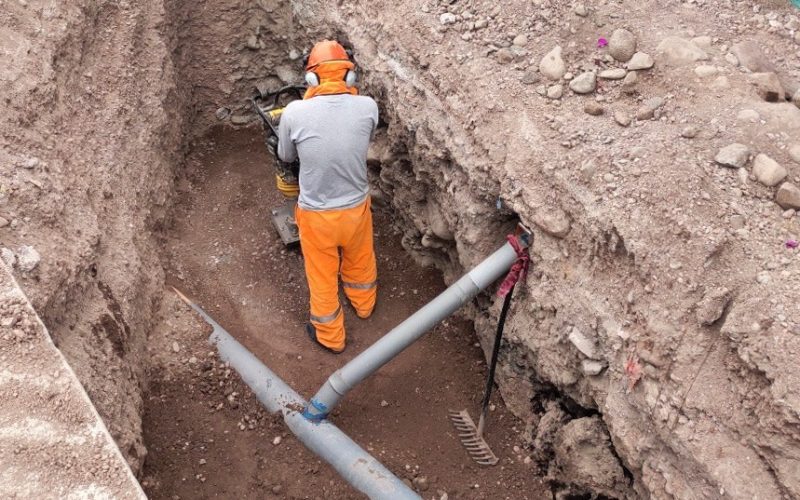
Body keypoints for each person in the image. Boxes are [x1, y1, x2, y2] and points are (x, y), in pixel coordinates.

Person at [277, 40, 379, 354]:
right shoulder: (368, 106)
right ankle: (364, 304)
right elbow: (364, 140)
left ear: (311, 79)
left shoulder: (294, 112)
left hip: (316, 216)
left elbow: (285, 155)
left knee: (321, 275)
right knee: (360, 259)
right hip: (357, 208)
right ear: (349, 77)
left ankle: (330, 336)